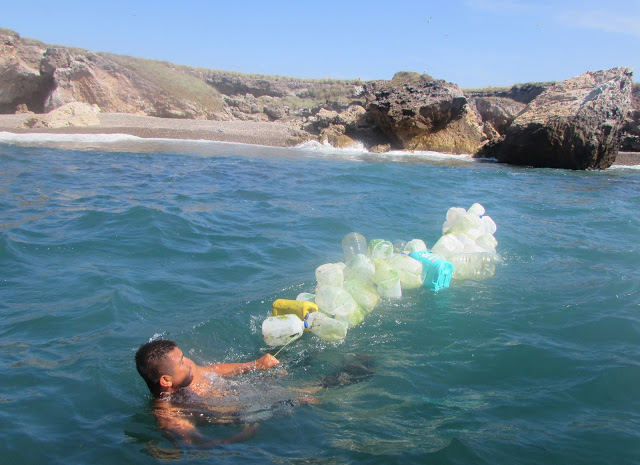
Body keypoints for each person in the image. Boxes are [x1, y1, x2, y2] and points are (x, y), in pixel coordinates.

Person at [135, 338, 281, 448]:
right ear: (166, 380)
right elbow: (201, 445)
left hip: (242, 388)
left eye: (183, 356)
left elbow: (213, 370)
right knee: (300, 395)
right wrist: (241, 437)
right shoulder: (170, 415)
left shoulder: (187, 370)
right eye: (181, 362)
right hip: (241, 414)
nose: (188, 362)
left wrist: (255, 365)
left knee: (281, 367)